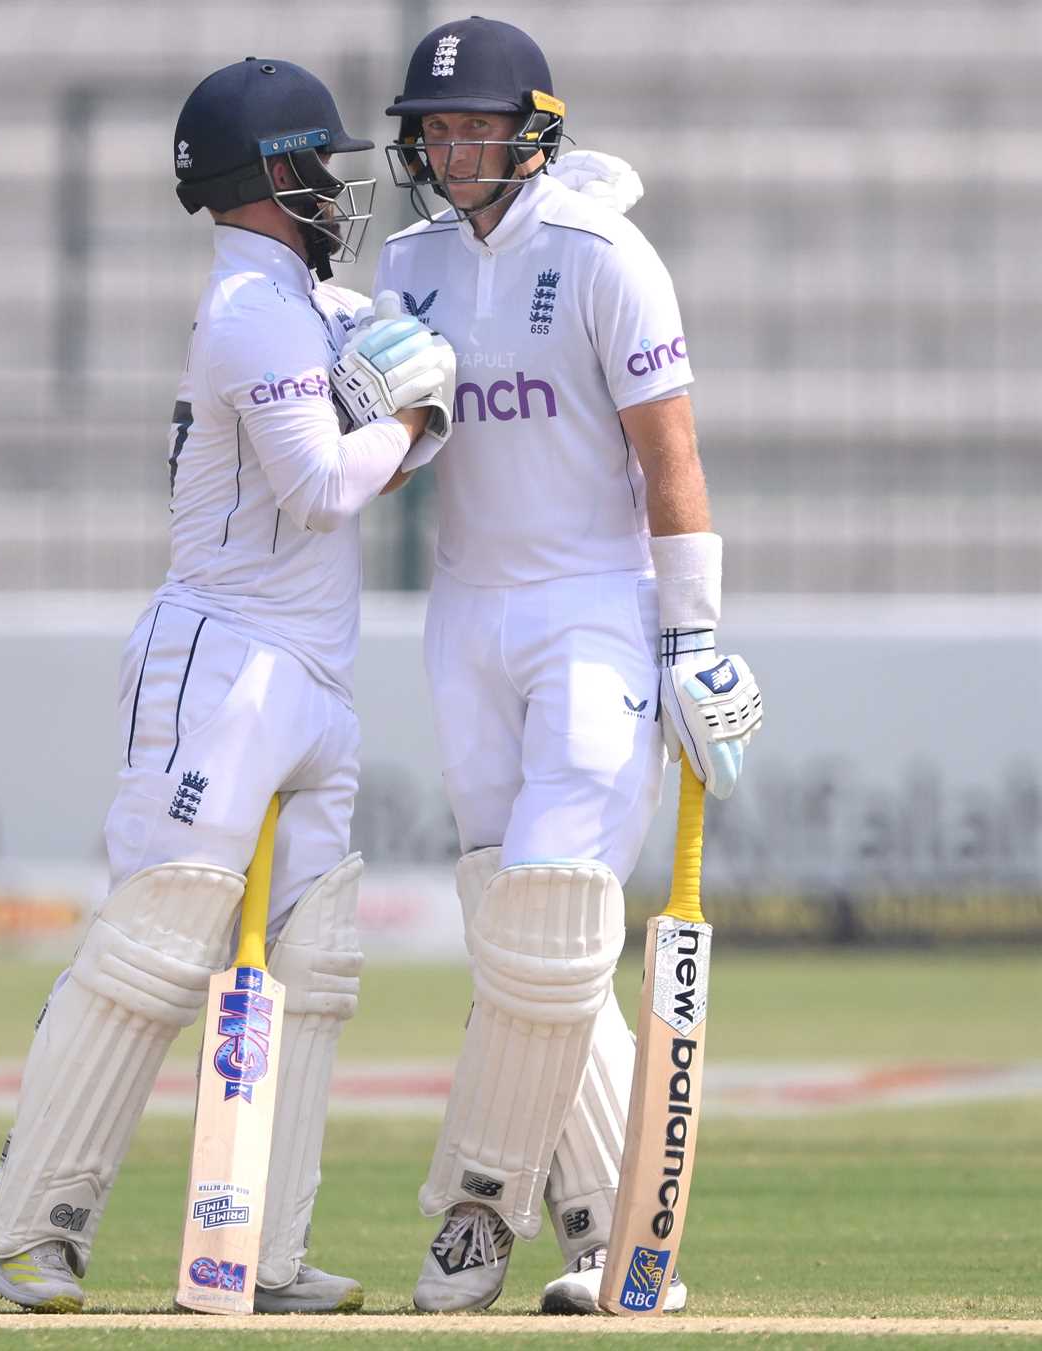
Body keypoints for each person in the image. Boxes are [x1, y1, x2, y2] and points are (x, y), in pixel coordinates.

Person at [0, 56, 454, 1315]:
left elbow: (365, 433)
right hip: (223, 661)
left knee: (312, 965)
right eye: (321, 167)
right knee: (156, 950)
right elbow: (324, 486)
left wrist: (405, 393)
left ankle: (261, 1250)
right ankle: (26, 1220)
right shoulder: (248, 307)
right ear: (273, 173)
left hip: (312, 672)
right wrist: (414, 421)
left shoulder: (304, 300)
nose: (338, 189)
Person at [373, 16, 763, 1315]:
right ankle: (601, 1223)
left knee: (548, 894)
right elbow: (410, 450)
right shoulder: (408, 260)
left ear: (532, 129)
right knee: (526, 940)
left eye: (474, 122)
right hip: (466, 613)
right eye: (433, 126)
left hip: (595, 607)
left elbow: (671, 454)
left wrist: (691, 631)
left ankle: (476, 1202)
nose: (450, 144)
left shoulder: (607, 257)